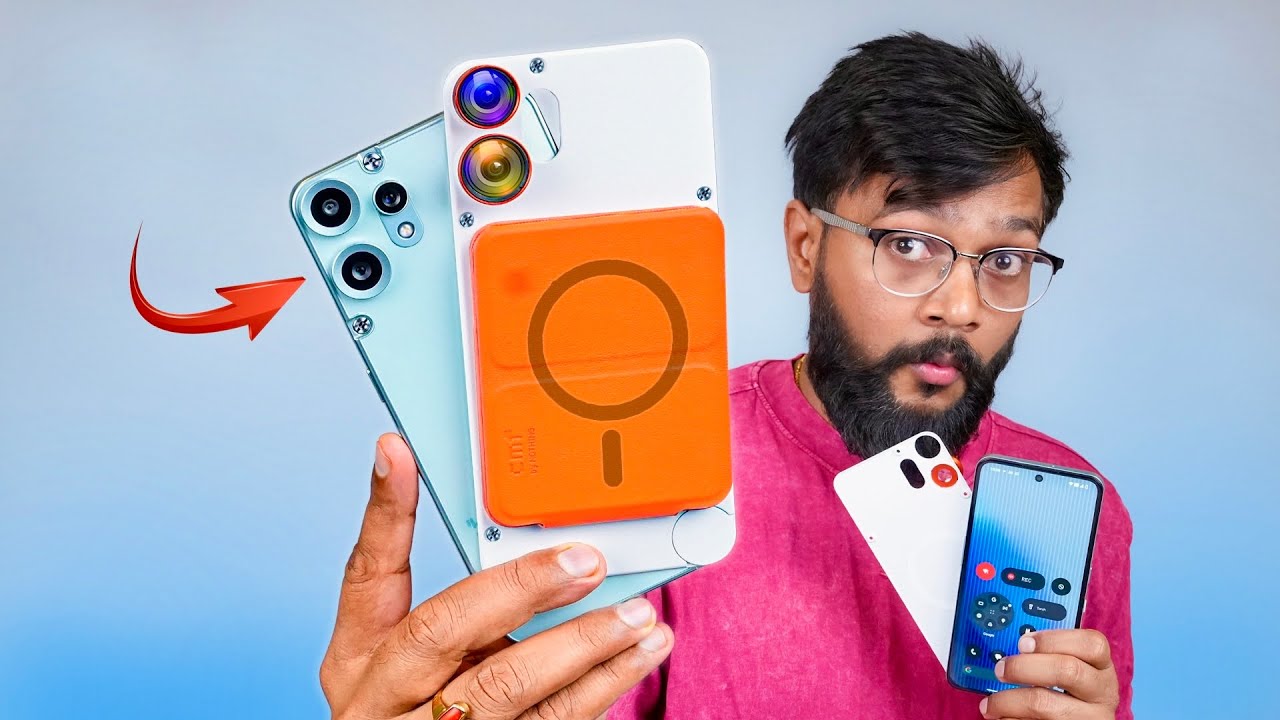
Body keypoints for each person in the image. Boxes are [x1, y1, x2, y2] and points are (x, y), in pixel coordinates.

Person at [320, 32, 1133, 720]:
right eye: (909, 245)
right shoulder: (662, 462)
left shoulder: (1074, 513)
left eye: (1006, 259)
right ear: (805, 247)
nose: (961, 306)